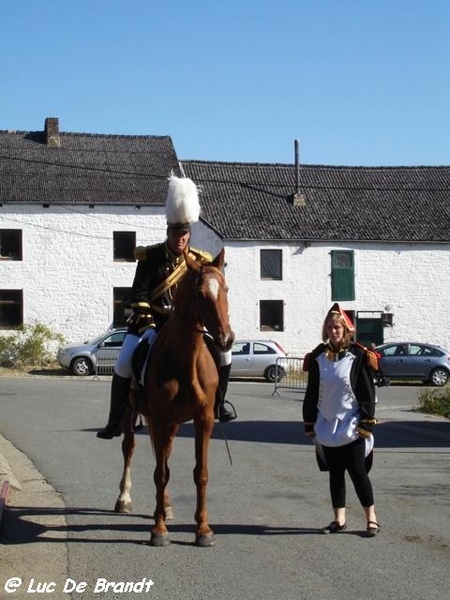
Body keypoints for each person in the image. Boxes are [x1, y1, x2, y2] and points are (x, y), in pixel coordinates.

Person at [97, 174, 236, 440]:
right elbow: (138, 294)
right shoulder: (150, 258)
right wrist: (149, 322)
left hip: (188, 327)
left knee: (225, 355)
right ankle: (116, 419)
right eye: (175, 233)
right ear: (168, 232)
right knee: (124, 362)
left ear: (189, 234)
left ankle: (219, 404)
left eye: (184, 233)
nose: (180, 238)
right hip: (152, 324)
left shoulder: (200, 260)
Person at [302, 303, 380, 537]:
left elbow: (367, 392)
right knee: (335, 474)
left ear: (345, 330)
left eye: (337, 327)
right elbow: (312, 391)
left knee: (357, 472)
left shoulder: (359, 355)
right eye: (330, 327)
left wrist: (366, 422)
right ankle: (339, 519)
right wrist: (309, 422)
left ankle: (371, 518)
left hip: (352, 425)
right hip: (327, 425)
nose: (333, 331)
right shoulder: (317, 357)